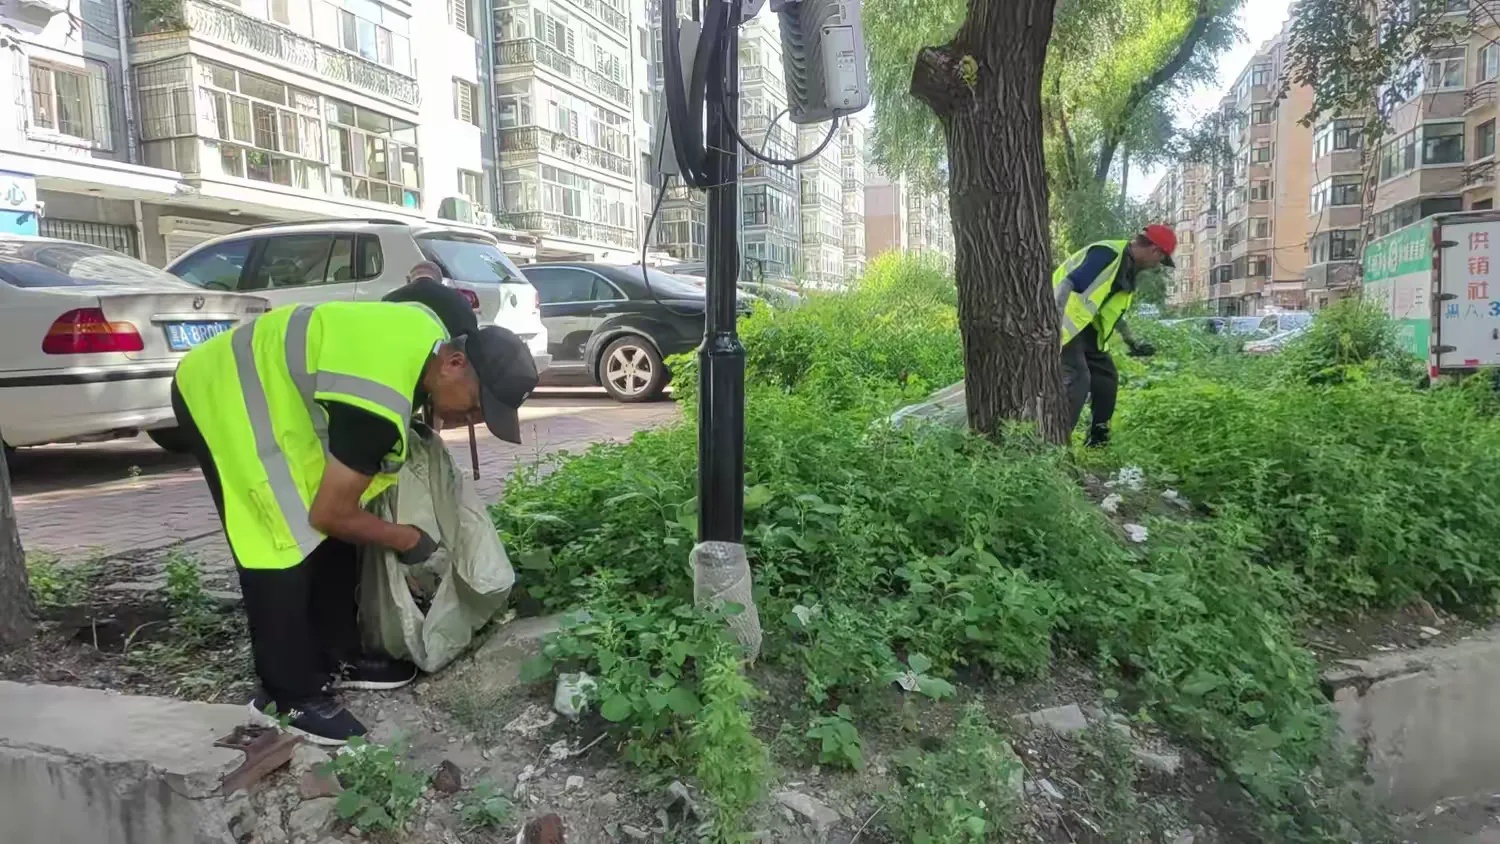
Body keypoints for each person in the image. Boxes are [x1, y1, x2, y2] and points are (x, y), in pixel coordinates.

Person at [169, 299, 539, 745]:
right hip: (222, 392)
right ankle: (286, 694)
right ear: (455, 363)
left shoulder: (427, 333)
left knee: (334, 528)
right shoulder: (376, 408)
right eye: (478, 407)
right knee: (278, 537)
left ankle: (337, 656)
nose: (471, 420)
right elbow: (332, 514)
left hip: (278, 399)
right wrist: (405, 538)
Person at [1052, 225, 1173, 447]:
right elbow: (1067, 283)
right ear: (1155, 251)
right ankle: (1057, 445)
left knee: (1106, 378)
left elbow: (1111, 313)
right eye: (1161, 260)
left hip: (1086, 328)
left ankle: (1098, 444)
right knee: (1079, 378)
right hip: (1063, 323)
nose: (1157, 266)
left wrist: (1132, 341)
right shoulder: (1107, 254)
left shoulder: (1126, 270)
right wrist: (1052, 323)